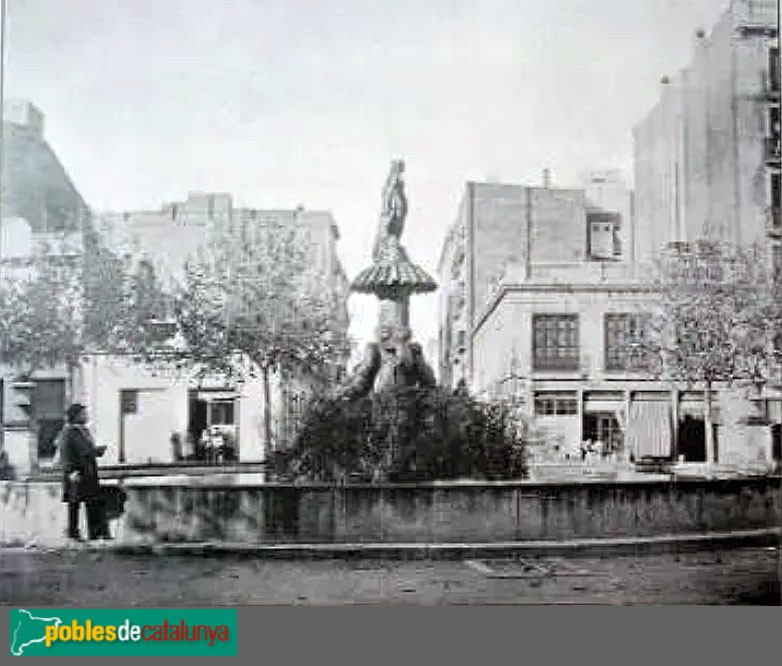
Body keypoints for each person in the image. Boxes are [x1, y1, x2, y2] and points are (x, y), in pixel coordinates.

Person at [59, 403, 109, 541]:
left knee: (92, 501)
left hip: (89, 470)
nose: (86, 416)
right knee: (74, 503)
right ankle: (73, 532)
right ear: (75, 416)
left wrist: (97, 451)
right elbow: (67, 453)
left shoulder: (85, 431)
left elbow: (87, 450)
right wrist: (70, 471)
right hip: (76, 471)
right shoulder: (68, 431)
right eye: (83, 414)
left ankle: (95, 533)